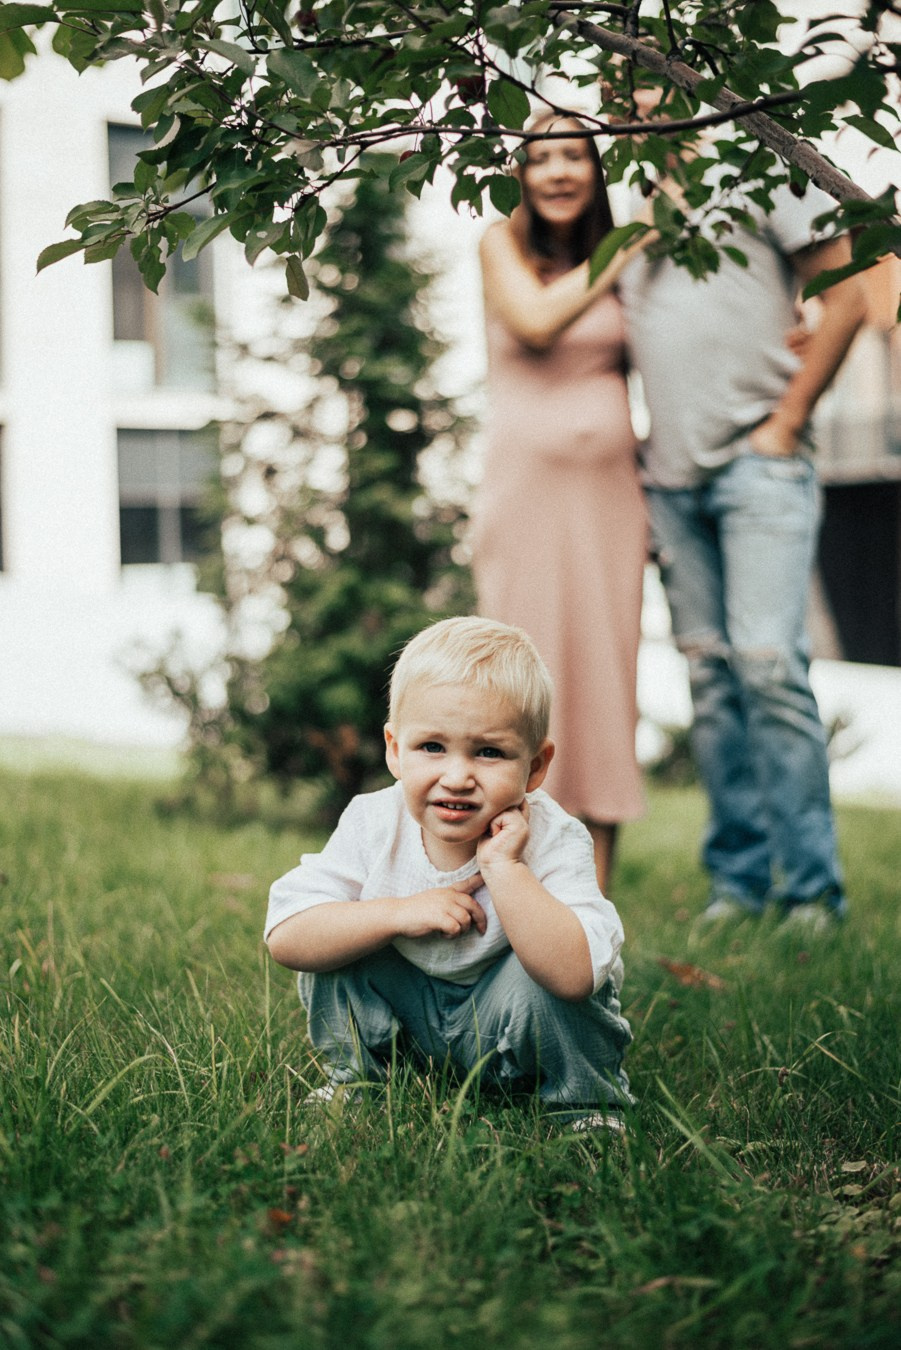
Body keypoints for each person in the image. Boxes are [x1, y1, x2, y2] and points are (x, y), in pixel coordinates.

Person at [619, 131, 868, 926]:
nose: (641, 93)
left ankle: (812, 891)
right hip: (669, 481)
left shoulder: (759, 170)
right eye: (626, 79)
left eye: (655, 78)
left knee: (767, 666)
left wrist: (786, 419)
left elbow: (850, 295)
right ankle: (737, 883)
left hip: (759, 466)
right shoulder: (629, 197)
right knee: (711, 682)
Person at [264, 616, 633, 1129]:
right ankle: (361, 1081)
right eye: (432, 747)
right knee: (334, 940)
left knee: (552, 972)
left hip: (506, 1030)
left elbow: (575, 975)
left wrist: (505, 868)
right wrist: (396, 914)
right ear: (395, 750)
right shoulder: (373, 823)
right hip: (409, 1023)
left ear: (535, 765)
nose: (457, 777)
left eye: (489, 752)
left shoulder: (554, 838)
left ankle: (584, 1107)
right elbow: (287, 935)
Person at [471, 113, 658, 892]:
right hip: (522, 499)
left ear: (595, 169)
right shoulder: (499, 244)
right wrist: (630, 241)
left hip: (608, 504)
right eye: (540, 157)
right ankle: (509, 881)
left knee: (605, 677)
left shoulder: (625, 262)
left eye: (573, 155)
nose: (556, 171)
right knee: (517, 680)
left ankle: (591, 896)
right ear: (520, 174)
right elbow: (536, 320)